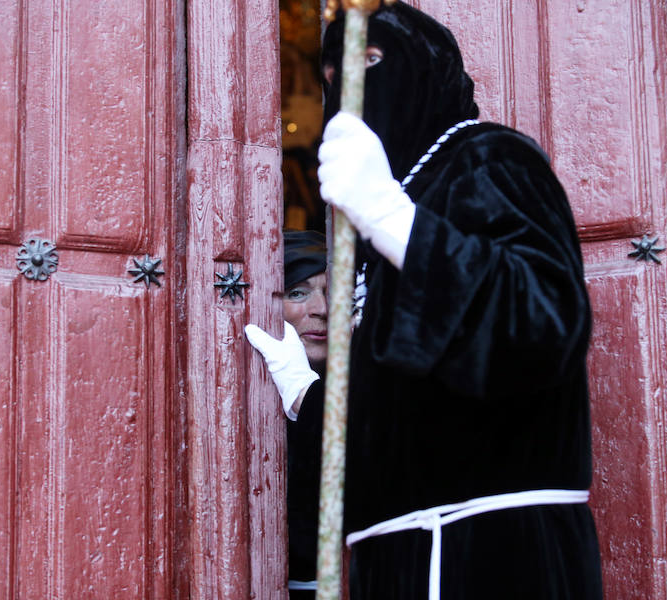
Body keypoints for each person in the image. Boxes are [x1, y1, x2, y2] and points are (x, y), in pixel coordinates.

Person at [313, 2, 603, 599]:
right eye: (333, 76)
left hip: (490, 548)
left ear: (426, 67)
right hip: (392, 553)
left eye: (370, 61)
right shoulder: (378, 203)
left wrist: (394, 219)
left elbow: (543, 321)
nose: (351, 88)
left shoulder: (487, 159)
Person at [245, 230, 329, 599]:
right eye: (297, 292)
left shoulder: (376, 380)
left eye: (333, 291)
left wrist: (301, 392)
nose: (322, 308)